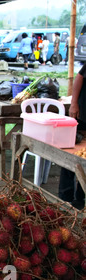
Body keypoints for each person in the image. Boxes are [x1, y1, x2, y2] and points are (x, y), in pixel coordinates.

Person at [58, 63, 86, 209]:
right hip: (82, 113)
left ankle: (80, 198)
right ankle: (65, 197)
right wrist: (74, 103)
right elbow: (80, 77)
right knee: (70, 152)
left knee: (84, 159)